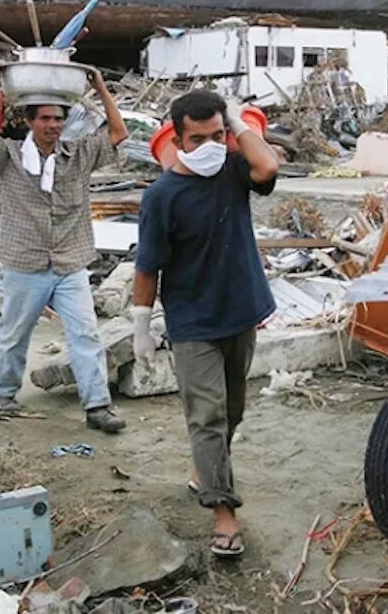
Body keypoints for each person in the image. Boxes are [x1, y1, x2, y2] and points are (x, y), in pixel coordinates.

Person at [130, 90, 280, 557]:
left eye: (218, 135)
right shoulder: (161, 197)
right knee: (208, 417)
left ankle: (204, 471)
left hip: (241, 310)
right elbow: (147, 266)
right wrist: (141, 324)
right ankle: (223, 512)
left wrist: (235, 121)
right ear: (177, 139)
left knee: (232, 411)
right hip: (192, 322)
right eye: (199, 139)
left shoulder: (234, 172)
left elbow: (268, 167)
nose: (212, 145)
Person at [0, 61, 130, 433]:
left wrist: (100, 85)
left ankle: (97, 407)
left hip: (70, 261)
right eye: (45, 119)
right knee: (14, 334)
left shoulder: (80, 154)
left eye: (58, 119)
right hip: (25, 262)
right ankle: (3, 395)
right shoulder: (8, 156)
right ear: (30, 122)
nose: (53, 125)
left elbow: (118, 132)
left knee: (85, 333)